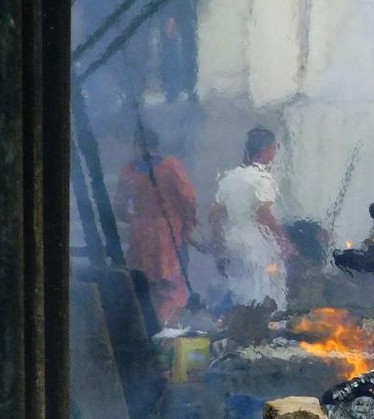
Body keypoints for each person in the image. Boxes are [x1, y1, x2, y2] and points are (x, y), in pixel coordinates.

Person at [113, 127, 198, 325]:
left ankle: (149, 326)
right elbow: (189, 198)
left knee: (145, 283)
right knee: (170, 284)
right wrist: (187, 225)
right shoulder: (171, 166)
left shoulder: (129, 170)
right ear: (156, 145)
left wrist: (135, 219)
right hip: (168, 234)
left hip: (141, 235)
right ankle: (166, 328)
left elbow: (119, 205)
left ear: (136, 146)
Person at [210, 126, 292, 312]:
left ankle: (242, 330)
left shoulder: (229, 178)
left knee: (240, 289)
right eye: (273, 149)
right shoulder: (262, 178)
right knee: (263, 290)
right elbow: (263, 214)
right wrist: (284, 240)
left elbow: (215, 213)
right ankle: (264, 332)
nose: (274, 153)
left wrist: (218, 244)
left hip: (233, 241)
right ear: (265, 150)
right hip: (255, 243)